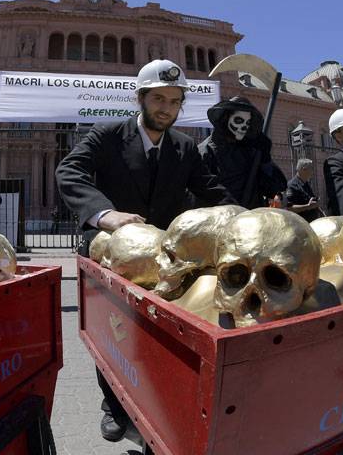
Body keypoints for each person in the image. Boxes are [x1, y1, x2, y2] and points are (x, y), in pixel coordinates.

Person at [55, 59, 234, 443]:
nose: (165, 107)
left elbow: (211, 192)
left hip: (164, 262)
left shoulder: (185, 147)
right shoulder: (107, 134)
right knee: (112, 332)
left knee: (157, 334)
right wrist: (106, 215)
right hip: (111, 257)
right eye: (158, 98)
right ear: (141, 98)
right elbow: (70, 172)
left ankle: (154, 401)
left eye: (174, 100)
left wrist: (249, 219)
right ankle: (113, 405)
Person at [199, 96, 287, 208]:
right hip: (220, 220)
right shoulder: (205, 151)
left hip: (250, 220)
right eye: (239, 120)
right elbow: (201, 193)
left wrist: (265, 160)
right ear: (225, 118)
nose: (243, 127)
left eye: (248, 122)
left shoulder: (251, 152)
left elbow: (276, 187)